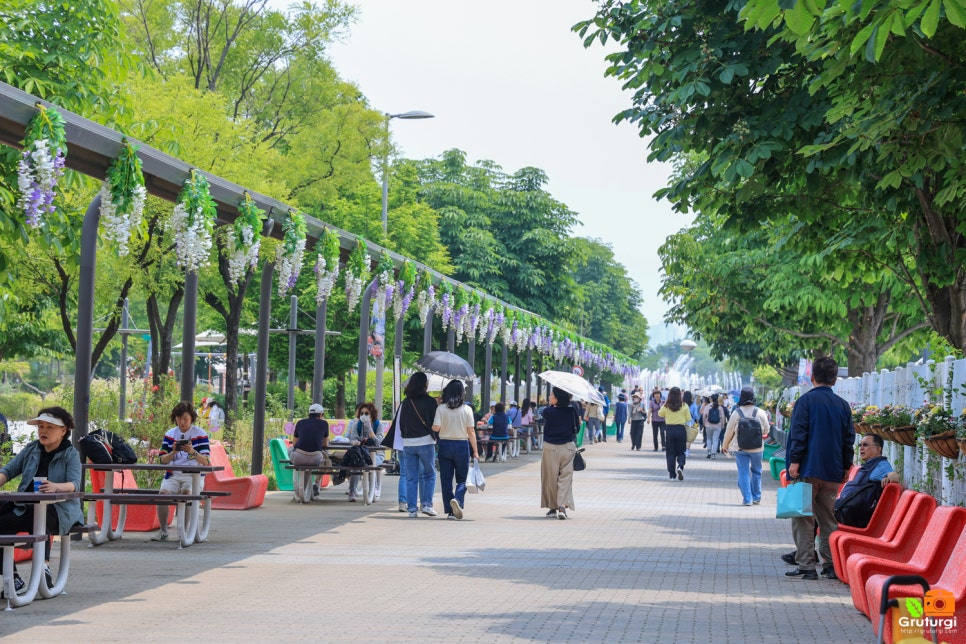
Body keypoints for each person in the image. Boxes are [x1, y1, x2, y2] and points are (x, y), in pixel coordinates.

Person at [780, 432, 901, 575]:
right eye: (860, 445)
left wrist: (890, 477)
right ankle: (811, 555)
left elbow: (894, 475)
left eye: (866, 445)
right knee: (814, 512)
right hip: (848, 508)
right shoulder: (870, 465)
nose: (861, 448)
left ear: (878, 449)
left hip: (853, 513)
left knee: (812, 514)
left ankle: (808, 557)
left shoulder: (880, 465)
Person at [784, 356, 855, 581]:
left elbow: (798, 434)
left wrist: (794, 462)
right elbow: (848, 439)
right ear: (835, 380)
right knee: (829, 520)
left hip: (805, 469)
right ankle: (831, 565)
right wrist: (846, 466)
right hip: (833, 471)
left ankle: (806, 566)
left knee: (802, 517)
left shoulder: (804, 402)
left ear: (812, 377)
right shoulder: (843, 406)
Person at [0, 406, 84, 595]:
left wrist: (56, 487)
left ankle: (43, 567)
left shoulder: (71, 454)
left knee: (43, 516)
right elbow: (8, 471)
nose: (43, 431)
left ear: (63, 431)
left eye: (50, 427)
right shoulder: (31, 449)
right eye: (40, 426)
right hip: (25, 508)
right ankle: (12, 576)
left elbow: (74, 484)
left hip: (59, 510)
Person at [153, 401, 211, 542]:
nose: (182, 422)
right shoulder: (170, 434)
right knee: (162, 495)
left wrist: (192, 452)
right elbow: (161, 460)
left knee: (187, 495)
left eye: (185, 418)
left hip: (193, 476)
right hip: (172, 475)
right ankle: (163, 531)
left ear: (191, 418)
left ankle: (184, 532)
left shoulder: (200, 434)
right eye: (179, 419)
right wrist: (173, 453)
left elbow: (207, 462)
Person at [432, 380, 478, 520]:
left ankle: (450, 511)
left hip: (444, 445)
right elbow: (471, 432)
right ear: (461, 393)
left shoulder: (441, 408)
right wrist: (475, 451)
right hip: (461, 445)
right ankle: (457, 499)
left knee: (446, 480)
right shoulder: (467, 409)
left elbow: (436, 428)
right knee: (462, 480)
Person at [398, 372, 439, 518]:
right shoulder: (430, 402)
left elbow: (401, 424)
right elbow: (435, 423)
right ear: (424, 384)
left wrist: (406, 436)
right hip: (425, 442)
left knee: (411, 477)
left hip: (408, 443)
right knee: (429, 474)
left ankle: (412, 510)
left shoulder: (406, 402)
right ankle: (427, 505)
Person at [721, 387, 771, 505]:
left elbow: (729, 431)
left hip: (740, 447)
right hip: (757, 448)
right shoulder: (760, 412)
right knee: (757, 471)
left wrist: (725, 445)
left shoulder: (736, 413)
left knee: (743, 472)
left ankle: (747, 499)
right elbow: (766, 430)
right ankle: (756, 497)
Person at [540, 387, 579, 519]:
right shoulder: (572, 411)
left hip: (551, 448)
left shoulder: (548, 411)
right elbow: (577, 429)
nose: (549, 397)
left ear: (557, 398)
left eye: (551, 395)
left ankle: (552, 508)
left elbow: (545, 417)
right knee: (566, 478)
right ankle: (562, 506)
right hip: (568, 447)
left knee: (550, 479)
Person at [289, 402, 329, 502]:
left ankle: (300, 495)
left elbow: (294, 443)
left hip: (299, 457)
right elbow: (326, 444)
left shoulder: (300, 422)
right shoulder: (324, 424)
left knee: (289, 449)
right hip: (315, 458)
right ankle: (305, 495)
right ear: (320, 415)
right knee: (308, 468)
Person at [345, 402, 384, 502]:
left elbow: (378, 442)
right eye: (362, 413)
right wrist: (356, 442)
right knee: (356, 463)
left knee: (370, 463)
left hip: (377, 455)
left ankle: (373, 489)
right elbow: (352, 439)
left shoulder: (378, 425)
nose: (364, 416)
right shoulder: (356, 425)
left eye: (366, 413)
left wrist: (370, 430)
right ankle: (352, 491)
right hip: (361, 453)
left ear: (372, 414)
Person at [659, 387, 692, 481]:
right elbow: (688, 418)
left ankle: (672, 475)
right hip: (680, 429)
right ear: (680, 395)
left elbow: (660, 414)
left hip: (669, 429)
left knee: (670, 453)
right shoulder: (684, 405)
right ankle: (680, 466)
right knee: (681, 451)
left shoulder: (666, 405)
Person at [701, 393, 726, 459]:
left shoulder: (707, 406)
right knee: (715, 439)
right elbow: (723, 417)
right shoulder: (720, 407)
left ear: (711, 399)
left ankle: (709, 452)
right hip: (718, 426)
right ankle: (713, 454)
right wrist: (723, 424)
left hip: (708, 425)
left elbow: (704, 416)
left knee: (709, 438)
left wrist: (704, 423)